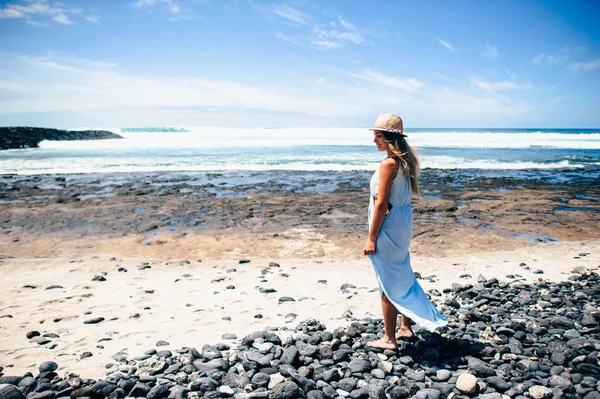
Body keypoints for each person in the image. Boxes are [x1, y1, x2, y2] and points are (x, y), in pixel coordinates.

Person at [364, 113, 447, 350]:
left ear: (389, 138)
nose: (374, 141)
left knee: (387, 279)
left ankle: (389, 339)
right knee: (402, 272)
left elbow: (381, 203)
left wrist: (371, 237)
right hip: (401, 220)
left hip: (389, 224)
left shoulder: (388, 164)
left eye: (378, 136)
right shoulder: (404, 162)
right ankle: (405, 327)